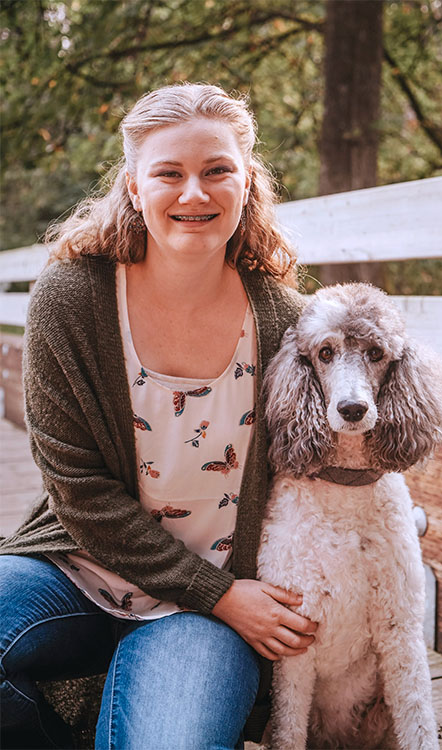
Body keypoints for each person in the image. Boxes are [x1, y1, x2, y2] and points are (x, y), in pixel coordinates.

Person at [0, 82, 318, 750]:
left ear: (247, 181)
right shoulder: (72, 297)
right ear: (134, 186)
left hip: (206, 617)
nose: (194, 194)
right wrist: (218, 591)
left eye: (217, 171)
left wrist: (230, 599)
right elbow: (78, 490)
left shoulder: (285, 321)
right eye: (169, 173)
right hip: (75, 574)